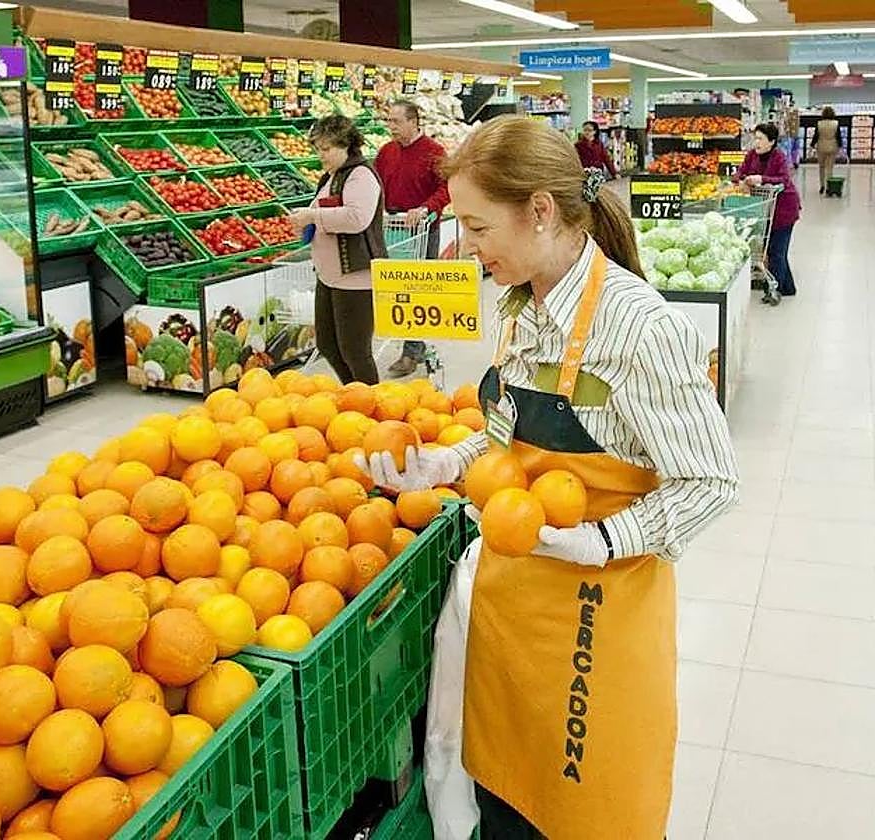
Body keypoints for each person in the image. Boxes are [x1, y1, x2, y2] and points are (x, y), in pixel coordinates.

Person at [357, 116, 738, 839]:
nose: (465, 246)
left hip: (600, 612)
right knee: (509, 794)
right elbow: (511, 437)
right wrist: (446, 463)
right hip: (514, 602)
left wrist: (602, 539)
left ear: (539, 210)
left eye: (477, 227)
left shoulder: (640, 328)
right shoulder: (521, 305)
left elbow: (712, 482)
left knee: (587, 809)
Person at [289, 115, 386, 385]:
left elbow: (357, 218)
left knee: (355, 350)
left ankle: (370, 399)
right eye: (318, 148)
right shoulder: (332, 176)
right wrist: (307, 223)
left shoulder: (360, 175)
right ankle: (353, 392)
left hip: (355, 277)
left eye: (327, 148)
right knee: (328, 345)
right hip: (330, 275)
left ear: (346, 145)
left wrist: (312, 216)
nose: (321, 155)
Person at [375, 100, 451, 378]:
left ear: (413, 122)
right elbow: (375, 184)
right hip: (393, 228)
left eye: (396, 121)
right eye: (389, 121)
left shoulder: (434, 152)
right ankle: (409, 345)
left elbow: (447, 188)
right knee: (396, 288)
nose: (391, 126)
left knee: (416, 288)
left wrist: (425, 209)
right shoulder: (386, 152)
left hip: (422, 230)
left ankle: (411, 352)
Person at [737, 122, 801, 298]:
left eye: (760, 139)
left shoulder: (779, 157)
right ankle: (788, 287)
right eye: (755, 138)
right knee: (775, 250)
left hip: (784, 210)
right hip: (764, 210)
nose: (756, 142)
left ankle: (774, 290)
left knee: (777, 251)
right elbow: (740, 173)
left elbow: (784, 180)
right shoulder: (751, 155)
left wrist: (761, 178)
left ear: (771, 142)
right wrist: (742, 179)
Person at [812, 105, 841, 194]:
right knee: (830, 168)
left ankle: (822, 186)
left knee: (822, 167)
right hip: (832, 147)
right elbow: (838, 136)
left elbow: (816, 136)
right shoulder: (836, 123)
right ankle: (829, 187)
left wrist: (812, 145)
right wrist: (840, 146)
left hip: (821, 146)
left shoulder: (819, 124)